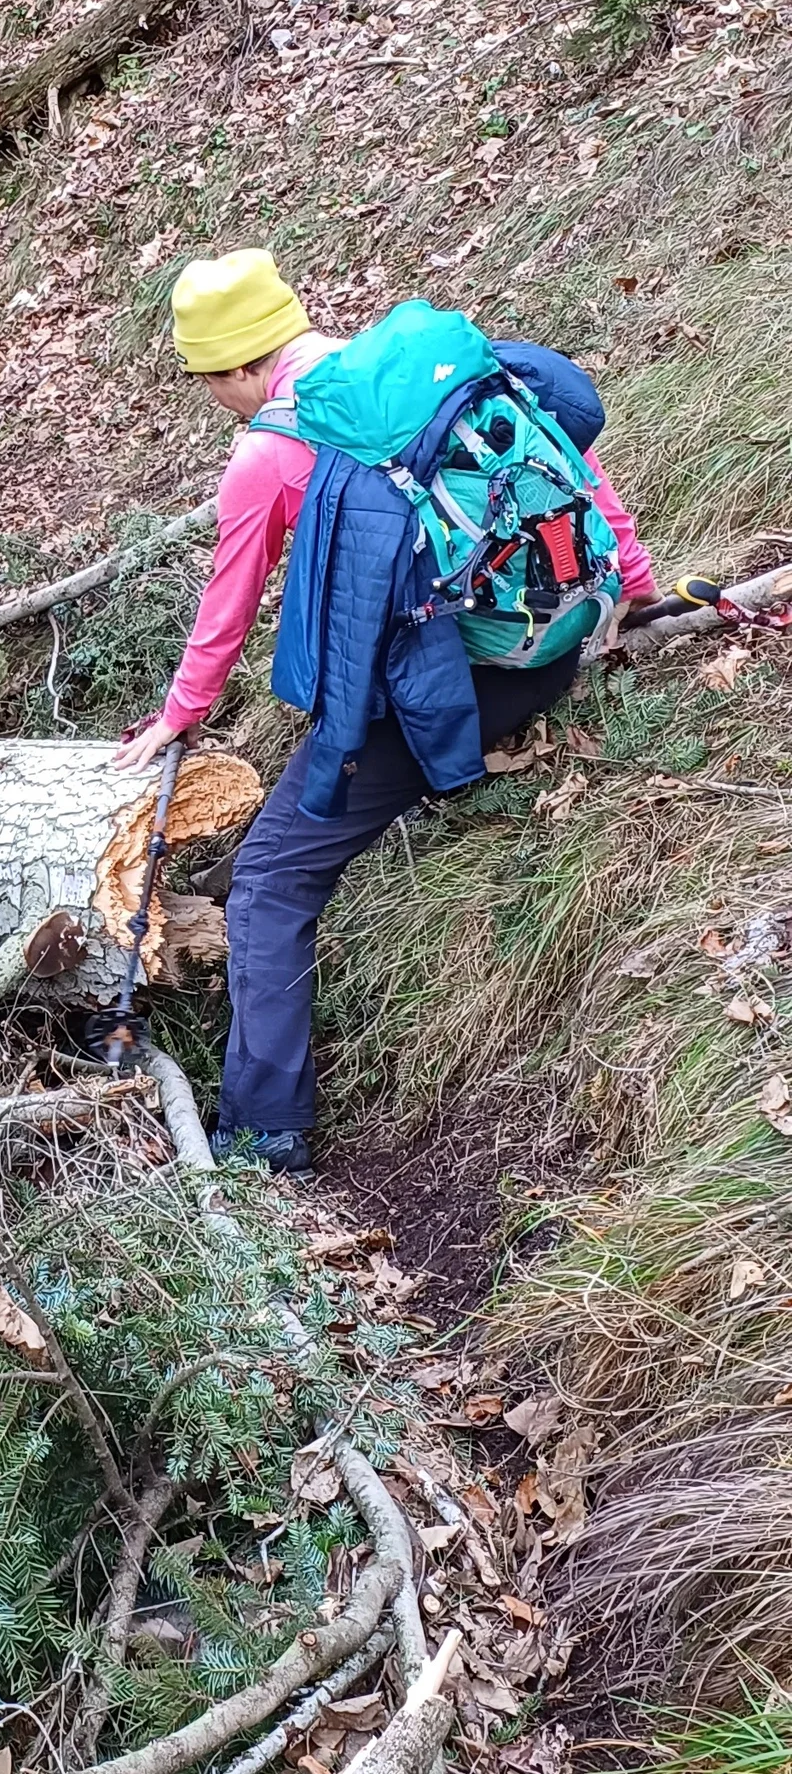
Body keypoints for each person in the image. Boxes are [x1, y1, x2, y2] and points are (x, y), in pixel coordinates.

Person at [119, 250, 659, 1172]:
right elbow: (568, 463)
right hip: (554, 639)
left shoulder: (267, 452)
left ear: (242, 366)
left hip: (453, 690)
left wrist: (182, 713)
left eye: (209, 380)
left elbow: (231, 600)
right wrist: (634, 590)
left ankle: (262, 1133)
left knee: (272, 881)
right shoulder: (429, 368)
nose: (216, 399)